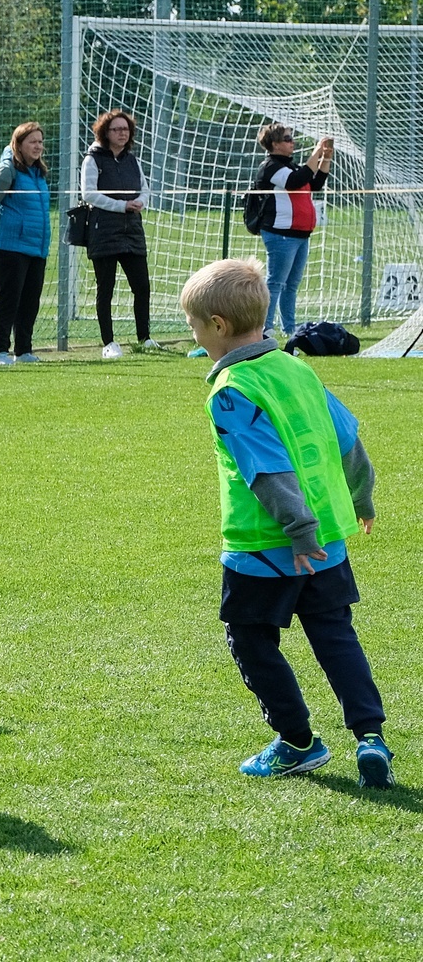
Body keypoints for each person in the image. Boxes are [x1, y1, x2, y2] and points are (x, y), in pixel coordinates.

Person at [180, 257, 393, 788]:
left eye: (194, 326)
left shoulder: (232, 390)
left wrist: (297, 530)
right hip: (329, 537)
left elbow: (266, 468)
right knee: (335, 636)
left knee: (251, 640)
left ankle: (297, 742)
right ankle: (370, 736)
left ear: (218, 325)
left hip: (267, 544)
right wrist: (362, 497)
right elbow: (348, 440)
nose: (195, 335)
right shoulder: (297, 370)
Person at [82, 109, 155, 359]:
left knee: (142, 286)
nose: (122, 133)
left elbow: (144, 189)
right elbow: (89, 194)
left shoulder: (132, 160)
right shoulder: (93, 159)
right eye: (116, 129)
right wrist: (121, 205)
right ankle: (109, 343)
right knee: (106, 288)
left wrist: (140, 202)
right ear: (105, 132)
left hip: (132, 231)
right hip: (104, 232)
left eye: (126, 129)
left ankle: (144, 338)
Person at [253, 124, 334, 337]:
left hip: (300, 234)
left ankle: (289, 329)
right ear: (275, 144)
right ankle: (265, 328)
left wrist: (325, 158)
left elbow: (314, 184)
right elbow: (295, 182)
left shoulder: (290, 166)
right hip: (281, 234)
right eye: (287, 139)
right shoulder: (271, 167)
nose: (292, 142)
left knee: (291, 285)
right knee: (275, 283)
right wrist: (316, 152)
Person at [0, 122, 51, 366]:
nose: (38, 146)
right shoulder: (8, 170)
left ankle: (23, 350)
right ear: (19, 144)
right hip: (10, 246)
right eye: (32, 141)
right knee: (8, 300)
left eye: (40, 141)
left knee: (30, 302)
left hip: (37, 247)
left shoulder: (38, 173)